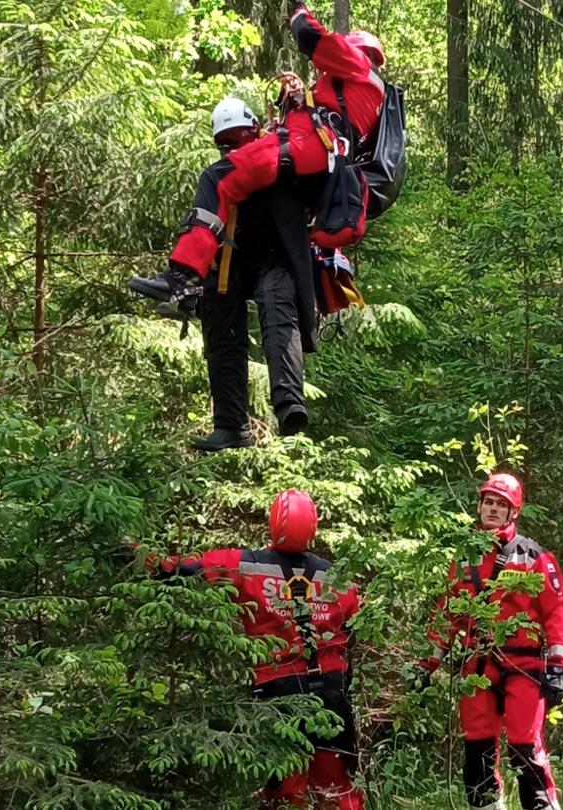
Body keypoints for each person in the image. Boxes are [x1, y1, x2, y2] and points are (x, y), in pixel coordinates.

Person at [135, 0, 387, 314]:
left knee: (219, 179)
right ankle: (201, 290)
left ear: (357, 51)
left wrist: (297, 9)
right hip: (318, 155)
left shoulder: (357, 65)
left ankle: (184, 275)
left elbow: (311, 35)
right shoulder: (359, 91)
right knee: (241, 191)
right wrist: (294, 99)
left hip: (308, 147)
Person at [150, 489, 365, 809]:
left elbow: (179, 570)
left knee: (287, 789)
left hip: (277, 692)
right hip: (332, 693)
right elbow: (354, 629)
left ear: (274, 523)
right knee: (337, 789)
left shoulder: (245, 565)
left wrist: (135, 553)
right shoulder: (337, 577)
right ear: (313, 527)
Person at [131, 97, 318, 449]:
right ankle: (231, 424)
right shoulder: (227, 173)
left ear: (255, 131)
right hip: (234, 264)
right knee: (219, 317)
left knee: (277, 305)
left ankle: (289, 403)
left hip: (277, 259)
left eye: (238, 138)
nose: (233, 148)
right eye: (225, 144)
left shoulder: (278, 155)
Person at [424, 473, 563, 810]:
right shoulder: (464, 558)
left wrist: (558, 667)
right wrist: (424, 665)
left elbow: (557, 611)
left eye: (500, 504)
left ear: (512, 512)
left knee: (525, 748)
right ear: (479, 506)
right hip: (477, 668)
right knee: (477, 751)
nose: (492, 509)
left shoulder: (533, 556)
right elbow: (447, 615)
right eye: (488, 502)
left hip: (525, 666)